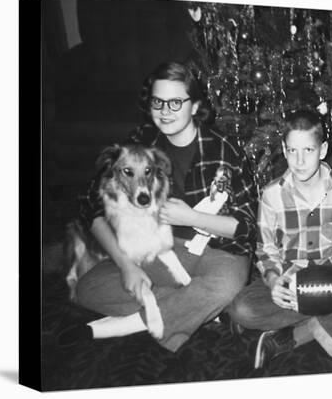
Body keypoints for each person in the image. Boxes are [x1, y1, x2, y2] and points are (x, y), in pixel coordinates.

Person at [58, 62, 258, 353]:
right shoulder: (141, 141)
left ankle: (116, 326)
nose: (165, 110)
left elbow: (248, 228)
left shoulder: (225, 150)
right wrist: (126, 266)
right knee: (88, 288)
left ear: (195, 106)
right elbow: (91, 204)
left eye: (176, 102)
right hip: (159, 248)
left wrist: (191, 217)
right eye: (158, 101)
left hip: (219, 250)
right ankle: (195, 306)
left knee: (225, 286)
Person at [226, 110, 332, 368]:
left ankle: (295, 336)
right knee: (242, 309)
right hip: (293, 283)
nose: (299, 161)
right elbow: (266, 250)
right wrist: (274, 281)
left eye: (308, 150)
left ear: (323, 150)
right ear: (284, 150)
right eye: (291, 151)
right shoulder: (272, 194)